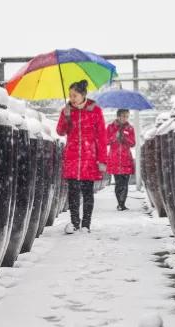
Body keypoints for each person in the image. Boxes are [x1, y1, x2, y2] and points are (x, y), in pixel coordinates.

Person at [56, 80, 107, 234]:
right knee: (72, 193)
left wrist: (102, 160)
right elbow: (60, 131)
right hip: (72, 157)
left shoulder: (95, 110)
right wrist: (65, 117)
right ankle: (74, 223)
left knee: (87, 193)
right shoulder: (66, 111)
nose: (72, 98)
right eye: (70, 95)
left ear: (83, 95)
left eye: (75, 95)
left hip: (89, 158)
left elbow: (102, 136)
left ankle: (86, 225)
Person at [106, 109, 136, 211]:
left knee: (125, 183)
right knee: (118, 182)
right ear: (118, 116)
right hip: (114, 158)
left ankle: (122, 204)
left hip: (126, 158)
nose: (125, 118)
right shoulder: (110, 127)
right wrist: (115, 137)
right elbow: (105, 141)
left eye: (127, 116)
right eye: (123, 116)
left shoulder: (130, 128)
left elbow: (133, 143)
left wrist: (125, 138)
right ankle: (120, 203)